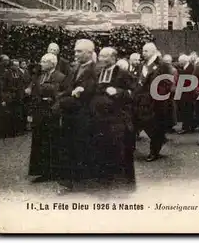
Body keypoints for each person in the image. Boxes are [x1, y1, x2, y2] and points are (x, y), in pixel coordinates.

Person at [56, 39, 97, 194]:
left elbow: (88, 94)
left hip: (83, 117)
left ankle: (76, 182)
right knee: (70, 148)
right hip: (71, 115)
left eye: (79, 51)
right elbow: (68, 88)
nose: (75, 53)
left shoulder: (95, 70)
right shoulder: (76, 68)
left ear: (89, 52)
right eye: (75, 51)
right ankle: (72, 181)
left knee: (80, 148)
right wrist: (64, 97)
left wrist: (72, 96)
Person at [90, 47, 136, 189]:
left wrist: (118, 91)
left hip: (117, 118)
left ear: (113, 58)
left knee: (118, 148)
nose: (100, 59)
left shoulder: (123, 74)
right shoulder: (98, 72)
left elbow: (133, 93)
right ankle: (105, 176)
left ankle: (120, 181)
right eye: (100, 56)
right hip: (101, 118)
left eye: (104, 56)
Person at [26, 53, 66, 183]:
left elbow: (60, 95)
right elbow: (34, 94)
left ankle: (53, 171)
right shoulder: (40, 76)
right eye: (41, 61)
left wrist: (52, 105)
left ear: (52, 63)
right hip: (39, 114)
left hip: (50, 115)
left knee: (51, 142)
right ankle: (41, 171)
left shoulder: (60, 77)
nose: (41, 63)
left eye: (44, 62)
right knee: (39, 142)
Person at [133, 42, 173, 161]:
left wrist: (157, 95)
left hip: (156, 101)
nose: (143, 53)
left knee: (155, 125)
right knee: (144, 122)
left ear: (153, 51)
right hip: (142, 100)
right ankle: (160, 140)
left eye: (146, 51)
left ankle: (154, 151)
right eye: (143, 51)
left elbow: (167, 83)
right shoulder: (142, 65)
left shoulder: (163, 65)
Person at [177, 54, 196, 134]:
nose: (179, 63)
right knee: (187, 110)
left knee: (187, 110)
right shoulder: (187, 67)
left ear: (184, 61)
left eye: (180, 61)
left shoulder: (190, 68)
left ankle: (186, 127)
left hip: (188, 93)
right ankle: (189, 126)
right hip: (186, 92)